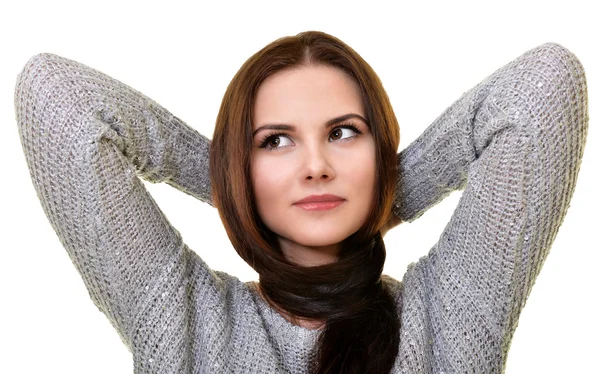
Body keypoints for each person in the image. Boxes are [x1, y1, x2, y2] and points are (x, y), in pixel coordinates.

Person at [13, 31, 588, 373]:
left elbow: (543, 88)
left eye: (343, 132)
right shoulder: (189, 323)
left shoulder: (446, 318)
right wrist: (233, 183)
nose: (316, 165)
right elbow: (56, 99)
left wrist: (383, 188)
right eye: (275, 141)